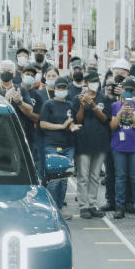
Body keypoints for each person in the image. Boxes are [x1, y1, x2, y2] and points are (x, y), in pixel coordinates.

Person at [109, 78, 135, 219]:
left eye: (130, 91)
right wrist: (120, 113)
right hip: (119, 146)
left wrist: (133, 116)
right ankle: (119, 206)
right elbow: (112, 126)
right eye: (126, 90)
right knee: (120, 177)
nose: (128, 93)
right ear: (122, 91)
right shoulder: (115, 105)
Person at [73, 69, 109, 219]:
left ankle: (93, 203)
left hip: (100, 141)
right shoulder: (78, 98)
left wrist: (93, 105)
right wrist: (82, 105)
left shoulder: (103, 98)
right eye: (91, 81)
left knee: (95, 175)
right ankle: (83, 205)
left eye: (96, 81)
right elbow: (78, 120)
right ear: (86, 83)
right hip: (83, 141)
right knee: (83, 175)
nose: (95, 84)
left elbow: (105, 119)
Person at [39, 78, 76, 218]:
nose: (61, 90)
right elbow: (43, 124)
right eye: (59, 88)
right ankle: (50, 209)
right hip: (52, 145)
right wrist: (61, 126)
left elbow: (71, 123)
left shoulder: (70, 105)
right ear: (54, 89)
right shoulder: (48, 104)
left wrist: (73, 127)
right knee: (54, 179)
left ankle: (59, 208)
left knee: (64, 179)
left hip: (68, 145)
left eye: (64, 88)